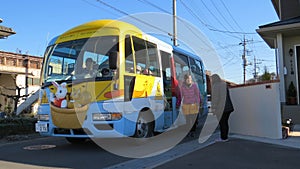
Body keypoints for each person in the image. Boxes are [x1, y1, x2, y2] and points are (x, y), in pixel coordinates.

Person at [211, 74, 234, 142]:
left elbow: (215, 98)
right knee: (225, 122)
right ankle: (225, 137)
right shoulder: (224, 84)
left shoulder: (215, 86)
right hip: (229, 107)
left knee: (222, 123)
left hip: (221, 108)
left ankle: (223, 138)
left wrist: (213, 108)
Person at [179, 73, 201, 137]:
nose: (189, 80)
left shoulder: (194, 86)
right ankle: (189, 131)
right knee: (188, 120)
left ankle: (193, 131)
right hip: (186, 105)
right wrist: (178, 103)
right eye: (188, 79)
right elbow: (181, 96)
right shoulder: (182, 87)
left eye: (190, 79)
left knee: (193, 119)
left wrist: (198, 103)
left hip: (194, 104)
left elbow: (197, 95)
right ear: (185, 79)